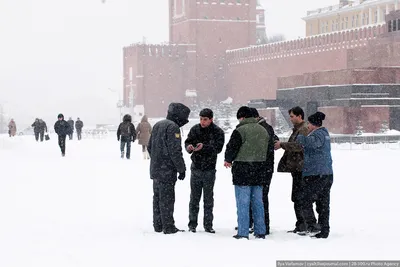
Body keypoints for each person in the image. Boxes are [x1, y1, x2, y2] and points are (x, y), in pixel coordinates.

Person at [224, 106, 269, 240]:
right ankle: (260, 231)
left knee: (243, 202)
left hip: (243, 169)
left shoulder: (240, 130)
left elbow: (232, 147)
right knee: (258, 202)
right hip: (260, 168)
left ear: (242, 117)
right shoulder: (263, 130)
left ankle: (243, 232)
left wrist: (228, 159)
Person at [147, 103, 190, 234]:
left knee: (157, 198)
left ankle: (158, 224)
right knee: (167, 199)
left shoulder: (158, 125)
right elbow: (175, 151)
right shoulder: (173, 127)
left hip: (156, 169)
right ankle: (168, 226)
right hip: (167, 171)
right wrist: (181, 168)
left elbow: (149, 147)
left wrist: (157, 159)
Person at [274, 106, 317, 234]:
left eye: (292, 116)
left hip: (301, 169)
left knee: (301, 197)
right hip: (297, 168)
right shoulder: (298, 129)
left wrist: (282, 145)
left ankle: (305, 224)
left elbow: (299, 146)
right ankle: (301, 224)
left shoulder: (303, 129)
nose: (291, 119)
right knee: (297, 197)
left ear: (299, 116)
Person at [184, 108, 225, 234]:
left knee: (208, 199)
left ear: (211, 119)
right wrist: (189, 147)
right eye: (201, 119)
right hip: (196, 167)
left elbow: (218, 148)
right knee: (194, 198)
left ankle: (208, 225)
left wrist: (204, 147)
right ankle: (192, 225)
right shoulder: (195, 129)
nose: (202, 122)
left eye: (205, 119)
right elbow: (187, 142)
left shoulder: (217, 131)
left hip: (209, 169)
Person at [296, 111, 333, 239]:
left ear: (313, 124)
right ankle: (323, 229)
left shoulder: (319, 134)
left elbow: (313, 143)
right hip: (325, 173)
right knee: (323, 203)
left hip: (317, 174)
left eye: (309, 124)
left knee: (305, 200)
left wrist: (301, 138)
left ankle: (313, 226)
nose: (307, 126)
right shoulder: (325, 133)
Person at [249, 107, 279, 235]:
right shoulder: (266, 127)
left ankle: (263, 225)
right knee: (258, 197)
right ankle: (256, 223)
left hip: (262, 168)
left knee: (260, 197)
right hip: (264, 167)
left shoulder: (263, 129)